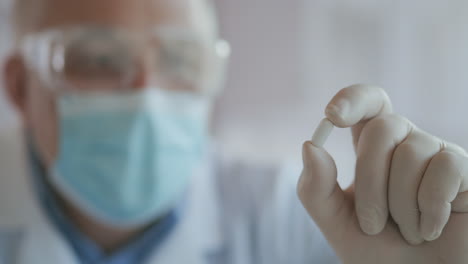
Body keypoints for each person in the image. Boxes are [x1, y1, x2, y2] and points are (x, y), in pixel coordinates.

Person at [2, 0, 468, 263]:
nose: (148, 96)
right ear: (20, 87)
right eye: (100, 61)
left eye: (181, 61)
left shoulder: (290, 219)